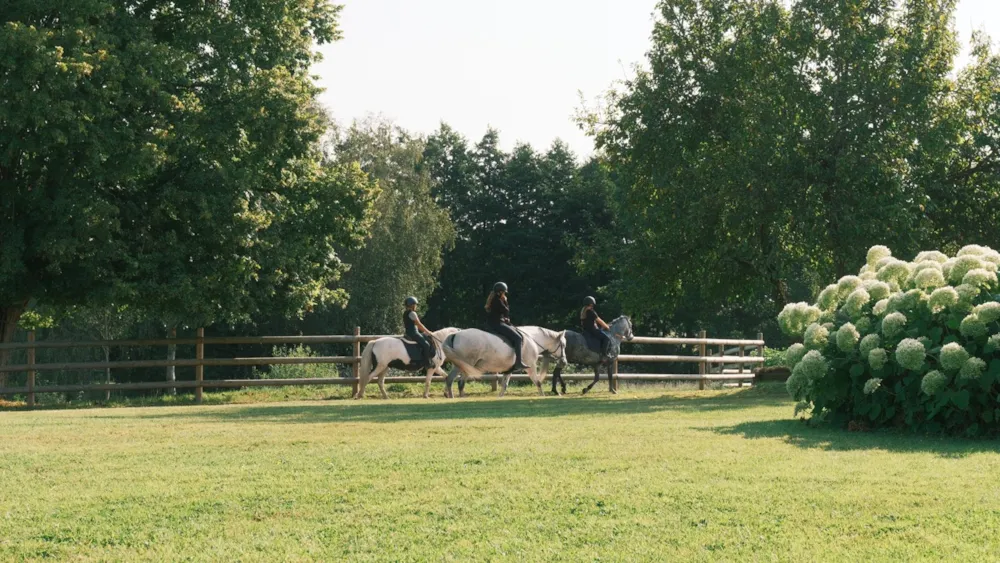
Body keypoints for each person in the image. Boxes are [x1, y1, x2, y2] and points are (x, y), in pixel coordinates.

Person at [484, 282, 528, 370]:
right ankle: (518, 362)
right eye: (504, 292)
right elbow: (506, 310)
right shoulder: (497, 300)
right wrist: (505, 301)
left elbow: (501, 313)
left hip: (494, 323)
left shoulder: (494, 299)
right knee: (518, 338)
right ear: (500, 292)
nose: (504, 294)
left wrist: (505, 318)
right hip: (498, 324)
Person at [403, 296, 434, 367]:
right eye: (415, 305)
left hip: (408, 333)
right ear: (412, 305)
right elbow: (419, 325)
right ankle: (427, 363)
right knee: (426, 345)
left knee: (425, 338)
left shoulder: (405, 313)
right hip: (413, 333)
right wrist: (428, 332)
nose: (416, 306)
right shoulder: (412, 313)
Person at [580, 296, 612, 361]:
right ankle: (604, 355)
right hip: (593, 330)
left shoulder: (583, 311)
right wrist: (607, 327)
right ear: (591, 303)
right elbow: (599, 321)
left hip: (585, 331)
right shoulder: (591, 311)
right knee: (607, 339)